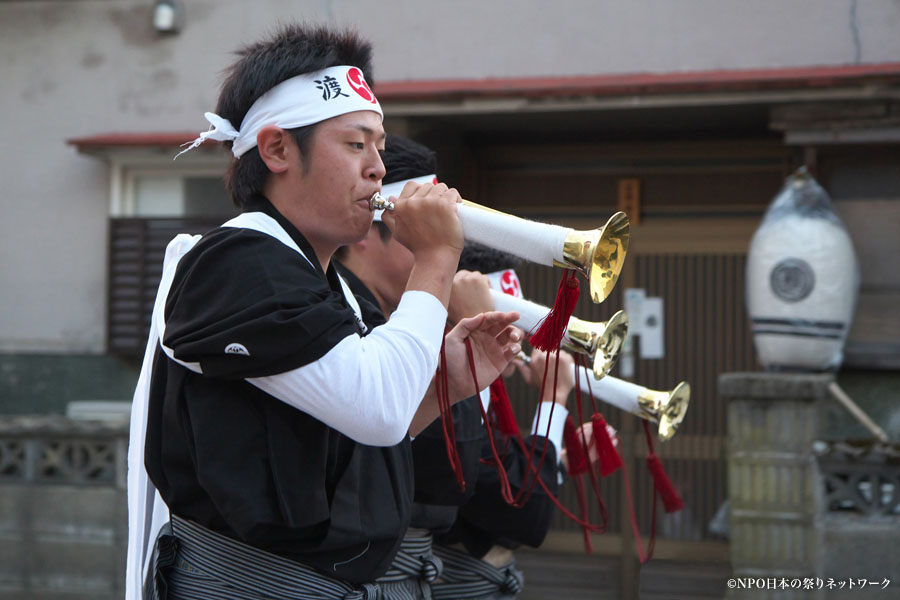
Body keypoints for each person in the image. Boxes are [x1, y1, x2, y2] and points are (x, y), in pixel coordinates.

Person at [127, 23, 522, 600]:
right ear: (277, 149)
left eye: (380, 149)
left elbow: (347, 442)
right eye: (356, 144)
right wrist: (438, 256)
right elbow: (378, 410)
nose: (378, 169)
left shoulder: (316, 274)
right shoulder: (240, 261)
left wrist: (445, 383)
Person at [336, 134, 573, 600]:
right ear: (366, 231)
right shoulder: (352, 320)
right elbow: (475, 486)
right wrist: (551, 408)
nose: (443, 255)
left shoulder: (398, 319)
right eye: (420, 235)